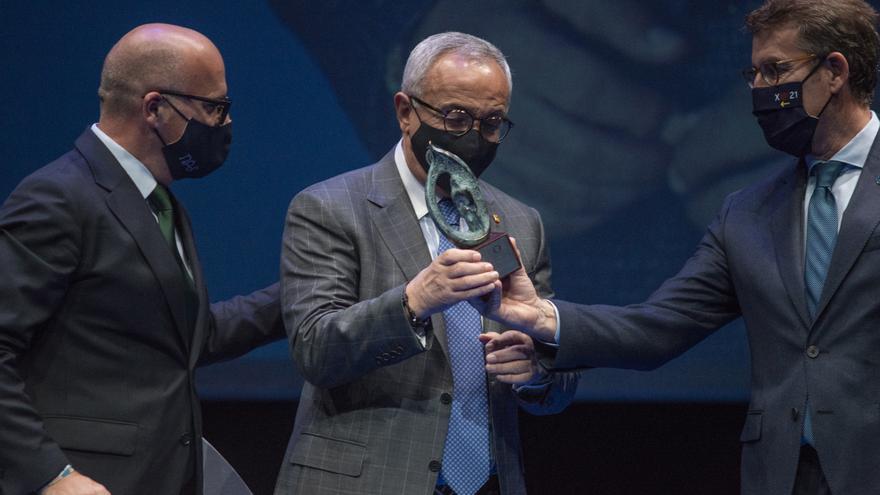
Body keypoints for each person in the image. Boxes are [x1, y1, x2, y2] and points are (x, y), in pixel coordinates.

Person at [482, 0, 880, 493]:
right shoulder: (748, 213)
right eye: (752, 73)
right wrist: (547, 319)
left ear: (835, 71)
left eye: (775, 70)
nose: (758, 90)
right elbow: (657, 328)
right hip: (782, 475)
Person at [274, 32, 578, 495]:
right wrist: (413, 302)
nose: (474, 136)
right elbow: (315, 350)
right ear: (405, 111)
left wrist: (536, 371)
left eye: (492, 122)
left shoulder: (520, 221)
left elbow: (557, 374)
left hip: (490, 483)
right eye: (456, 117)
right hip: (367, 482)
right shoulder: (330, 208)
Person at [0, 24, 283, 495]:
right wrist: (51, 475)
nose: (223, 124)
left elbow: (188, 339)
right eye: (214, 107)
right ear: (155, 108)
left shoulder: (159, 202)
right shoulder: (58, 198)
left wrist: (306, 289)